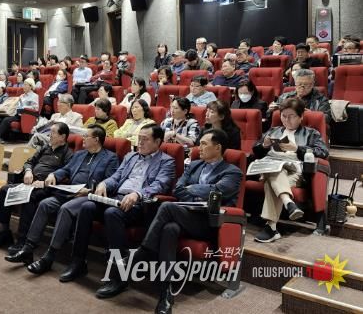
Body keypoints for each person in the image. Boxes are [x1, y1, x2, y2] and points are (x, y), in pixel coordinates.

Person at [131, 129, 242, 314]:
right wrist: (198, 194)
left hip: (209, 223)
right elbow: (178, 189)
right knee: (170, 229)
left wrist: (193, 189)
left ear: (218, 147)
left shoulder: (232, 172)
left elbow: (217, 192)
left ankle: (144, 251)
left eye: (204, 144)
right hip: (185, 216)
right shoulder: (194, 165)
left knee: (167, 207)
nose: (199, 148)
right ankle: (166, 293)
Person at [73, 125, 176, 297]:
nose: (140, 142)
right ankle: (78, 261)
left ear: (158, 141)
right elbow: (117, 177)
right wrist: (104, 183)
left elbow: (161, 184)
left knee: (112, 213)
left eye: (145, 139)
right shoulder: (130, 156)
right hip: (117, 198)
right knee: (87, 207)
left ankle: (120, 276)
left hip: (139, 205)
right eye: (139, 138)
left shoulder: (166, 161)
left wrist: (138, 194)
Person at [5, 125, 119, 268]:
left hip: (87, 196)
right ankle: (28, 248)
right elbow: (65, 169)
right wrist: (53, 175)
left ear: (96, 140)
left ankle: (49, 256)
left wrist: (90, 190)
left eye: (86, 136)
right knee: (45, 204)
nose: (82, 138)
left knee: (65, 209)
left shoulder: (110, 158)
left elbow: (110, 182)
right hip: (69, 191)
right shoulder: (80, 154)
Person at [252, 98, 329, 243]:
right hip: (270, 165)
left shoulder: (311, 133)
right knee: (275, 171)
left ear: (301, 117)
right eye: (283, 116)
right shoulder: (274, 131)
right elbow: (256, 150)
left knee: (271, 181)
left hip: (294, 171)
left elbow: (323, 152)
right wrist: (264, 145)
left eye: (291, 116)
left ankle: (271, 228)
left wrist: (298, 148)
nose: (286, 120)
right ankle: (288, 203)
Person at [0, 123, 73, 252]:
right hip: (30, 183)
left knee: (29, 198)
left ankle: (22, 239)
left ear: (63, 136)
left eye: (53, 132)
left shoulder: (68, 154)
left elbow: (66, 174)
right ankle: (5, 232)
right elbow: (29, 162)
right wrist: (28, 171)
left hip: (46, 187)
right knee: (4, 190)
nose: (49, 135)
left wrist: (44, 182)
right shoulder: (45, 147)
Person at [0, 78, 39, 144]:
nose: (23, 86)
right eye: (23, 84)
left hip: (25, 116)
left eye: (25, 85)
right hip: (16, 113)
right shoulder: (22, 96)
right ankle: (0, 137)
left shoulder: (34, 96)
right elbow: (17, 105)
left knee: (6, 120)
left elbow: (35, 108)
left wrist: (24, 108)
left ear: (31, 86)